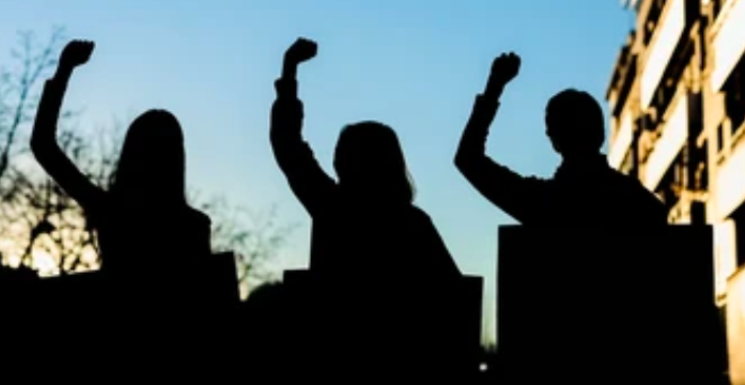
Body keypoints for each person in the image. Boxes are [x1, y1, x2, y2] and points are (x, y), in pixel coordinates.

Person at [270, 38, 464, 362]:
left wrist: (289, 70)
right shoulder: (412, 223)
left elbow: (287, 145)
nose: (335, 160)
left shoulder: (333, 209)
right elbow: (453, 296)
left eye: (342, 154)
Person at [31, 39, 212, 278]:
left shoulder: (112, 213)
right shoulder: (194, 225)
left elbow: (43, 146)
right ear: (177, 159)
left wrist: (64, 71)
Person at [454, 52, 668, 226]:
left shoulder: (543, 202)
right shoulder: (640, 203)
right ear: (601, 135)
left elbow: (468, 159)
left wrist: (494, 88)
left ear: (554, 139)